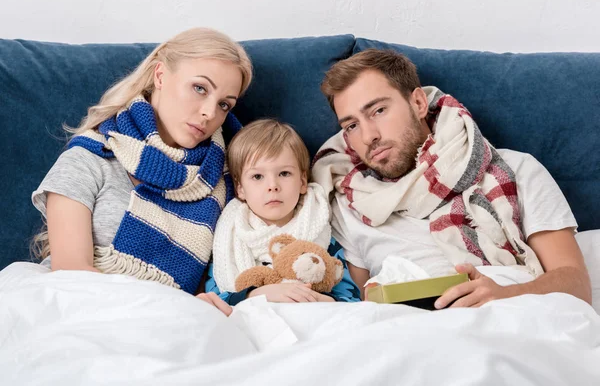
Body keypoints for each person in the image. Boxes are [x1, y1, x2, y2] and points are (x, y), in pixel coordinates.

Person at [312, 48, 592, 309]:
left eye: (379, 111)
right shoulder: (347, 203)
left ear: (419, 103)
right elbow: (361, 309)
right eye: (351, 125)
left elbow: (575, 284)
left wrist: (504, 296)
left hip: (504, 314)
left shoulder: (517, 168)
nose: (368, 135)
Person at [31, 27, 253, 316]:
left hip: (175, 326)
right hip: (83, 314)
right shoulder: (88, 158)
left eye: (224, 104)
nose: (210, 113)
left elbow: (219, 281)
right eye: (200, 88)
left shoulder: (222, 178)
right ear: (160, 76)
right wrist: (173, 306)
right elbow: (73, 275)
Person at [206, 119, 361, 304]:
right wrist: (257, 295)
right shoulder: (229, 237)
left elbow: (351, 300)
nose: (272, 186)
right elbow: (214, 301)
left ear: (302, 181)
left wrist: (318, 300)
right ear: (240, 188)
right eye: (257, 176)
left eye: (284, 174)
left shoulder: (320, 230)